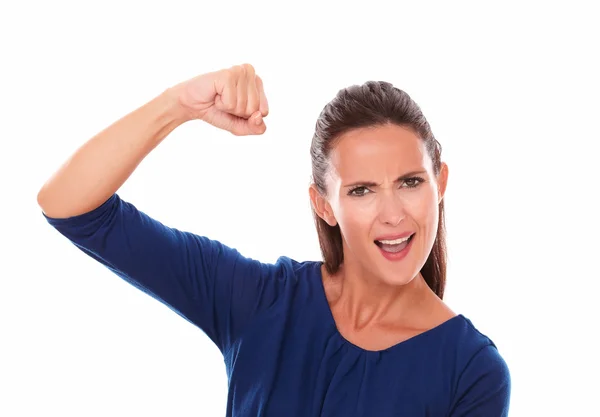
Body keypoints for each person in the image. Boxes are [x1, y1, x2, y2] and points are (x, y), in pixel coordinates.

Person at [37, 63, 511, 416]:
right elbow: (70, 205)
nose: (393, 214)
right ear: (324, 205)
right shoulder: (260, 302)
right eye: (362, 190)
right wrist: (178, 104)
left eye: (410, 182)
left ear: (440, 183)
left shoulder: (470, 371)